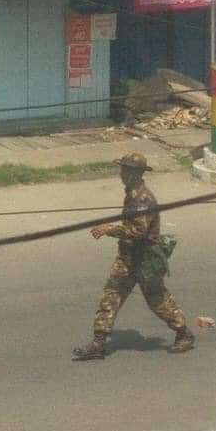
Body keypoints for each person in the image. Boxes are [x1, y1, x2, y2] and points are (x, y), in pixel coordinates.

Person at [72, 152, 195, 360]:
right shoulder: (131, 193)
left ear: (136, 173)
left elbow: (138, 231)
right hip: (127, 257)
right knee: (111, 295)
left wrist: (109, 229)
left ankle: (184, 333)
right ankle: (98, 342)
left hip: (144, 258)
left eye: (125, 170)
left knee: (158, 300)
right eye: (122, 169)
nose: (121, 173)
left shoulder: (143, 198)